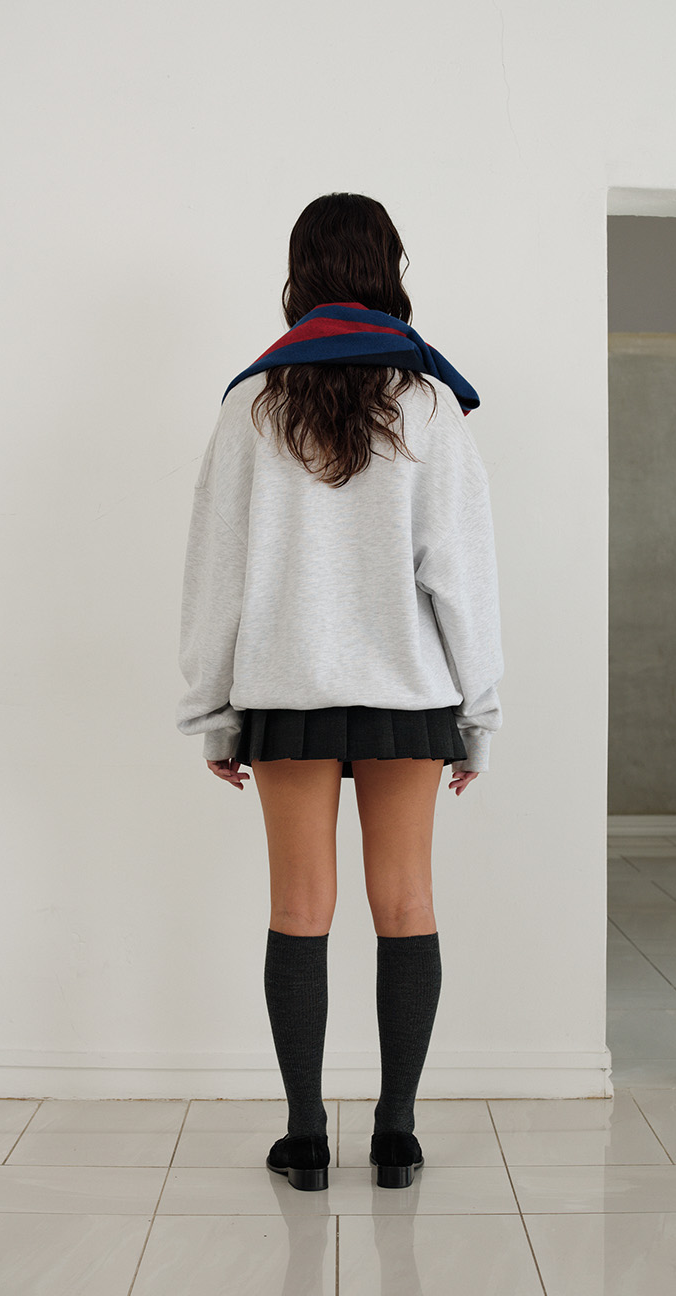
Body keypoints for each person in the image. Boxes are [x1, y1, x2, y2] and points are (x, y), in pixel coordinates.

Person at [176, 192, 504, 1191]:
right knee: (406, 900)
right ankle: (396, 1135)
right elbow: (463, 572)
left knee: (299, 905)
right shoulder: (430, 402)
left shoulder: (252, 404)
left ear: (300, 275)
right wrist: (478, 711)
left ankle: (307, 1137)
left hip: (288, 691)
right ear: (388, 270)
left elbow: (218, 573)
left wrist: (212, 711)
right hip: (411, 693)